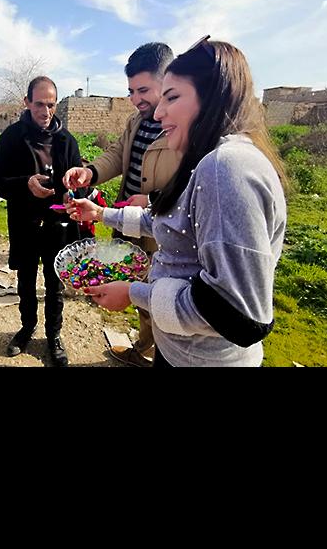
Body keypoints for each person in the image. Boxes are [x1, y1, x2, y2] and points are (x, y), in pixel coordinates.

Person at [66, 36, 288, 367]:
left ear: (211, 97)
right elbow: (171, 219)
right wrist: (100, 211)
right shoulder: (207, 155)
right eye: (132, 92)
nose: (157, 110)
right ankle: (146, 347)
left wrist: (132, 292)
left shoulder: (224, 168)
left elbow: (238, 313)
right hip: (181, 350)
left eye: (171, 97)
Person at [63, 42, 182, 368]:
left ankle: (161, 355)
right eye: (130, 91)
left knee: (160, 294)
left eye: (143, 89)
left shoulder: (184, 125)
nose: (136, 99)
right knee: (138, 291)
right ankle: (144, 348)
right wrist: (90, 173)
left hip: (160, 230)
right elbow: (118, 154)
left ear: (167, 81)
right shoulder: (137, 121)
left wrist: (154, 199)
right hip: (127, 221)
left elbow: (192, 180)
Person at [0, 76, 88, 366]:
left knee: (54, 284)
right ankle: (26, 328)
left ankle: (53, 336)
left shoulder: (67, 141)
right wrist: (26, 184)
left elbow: (81, 183)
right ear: (27, 103)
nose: (45, 112)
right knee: (25, 281)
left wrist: (76, 192)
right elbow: (0, 184)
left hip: (58, 226)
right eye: (39, 105)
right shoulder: (10, 138)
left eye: (50, 105)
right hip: (24, 224)